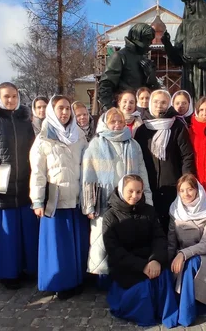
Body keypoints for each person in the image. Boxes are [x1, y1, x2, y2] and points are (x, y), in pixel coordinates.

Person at [0, 82, 38, 289]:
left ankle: (26, 268)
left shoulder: (24, 120)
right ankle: (7, 273)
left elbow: (33, 150)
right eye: (6, 96)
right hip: (0, 186)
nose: (10, 100)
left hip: (23, 184)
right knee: (6, 232)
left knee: (24, 230)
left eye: (13, 96)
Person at [82, 108, 152, 284]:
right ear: (105, 123)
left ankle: (123, 274)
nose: (117, 125)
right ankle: (102, 277)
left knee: (125, 238)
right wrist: (89, 204)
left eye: (120, 121)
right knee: (102, 238)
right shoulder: (96, 144)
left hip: (128, 198)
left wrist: (147, 197)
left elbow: (141, 172)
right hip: (103, 199)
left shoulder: (133, 144)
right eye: (113, 121)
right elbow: (88, 176)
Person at [29, 95, 88, 299]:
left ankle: (78, 279)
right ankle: (60, 283)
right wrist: (37, 201)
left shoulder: (79, 136)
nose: (64, 113)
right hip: (56, 199)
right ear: (53, 111)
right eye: (60, 109)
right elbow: (37, 172)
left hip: (77, 198)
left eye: (67, 109)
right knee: (58, 246)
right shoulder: (43, 138)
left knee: (76, 244)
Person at [103, 174, 179, 328]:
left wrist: (155, 260)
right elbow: (114, 250)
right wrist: (142, 266)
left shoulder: (149, 211)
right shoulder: (110, 216)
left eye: (139, 192)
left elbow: (159, 238)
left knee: (163, 276)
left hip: (150, 260)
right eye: (130, 191)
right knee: (144, 287)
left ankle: (165, 312)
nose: (135, 196)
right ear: (121, 190)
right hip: (126, 266)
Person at [134, 89, 196, 233]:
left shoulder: (177, 127)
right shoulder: (142, 130)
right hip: (149, 185)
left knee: (173, 225)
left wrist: (186, 181)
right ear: (150, 104)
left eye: (163, 102)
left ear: (169, 105)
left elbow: (187, 156)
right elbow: (137, 157)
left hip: (173, 184)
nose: (159, 105)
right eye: (156, 102)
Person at [168, 174, 206, 326]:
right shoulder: (175, 212)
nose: (186, 194)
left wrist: (183, 254)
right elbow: (171, 242)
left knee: (191, 264)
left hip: (205, 257)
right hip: (180, 256)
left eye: (190, 189)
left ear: (198, 191)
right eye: (182, 190)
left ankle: (186, 315)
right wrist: (167, 261)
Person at [98, 23, 160, 111]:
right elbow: (106, 85)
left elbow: (154, 91)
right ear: (137, 38)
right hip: (124, 109)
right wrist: (109, 110)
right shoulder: (120, 56)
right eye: (147, 40)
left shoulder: (145, 59)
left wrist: (151, 77)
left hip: (142, 111)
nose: (150, 43)